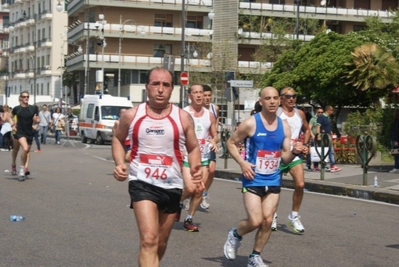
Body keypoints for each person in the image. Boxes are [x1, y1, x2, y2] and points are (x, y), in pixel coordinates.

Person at [112, 67, 202, 267]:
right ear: (147, 87)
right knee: (149, 239)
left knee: (160, 242)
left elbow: (193, 147)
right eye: (155, 84)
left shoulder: (182, 118)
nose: (160, 89)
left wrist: (196, 168)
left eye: (166, 85)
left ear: (172, 89)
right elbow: (118, 139)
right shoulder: (132, 115)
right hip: (141, 182)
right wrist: (120, 164)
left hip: (172, 184)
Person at [223, 86, 305, 266]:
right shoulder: (251, 123)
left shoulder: (283, 126)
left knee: (267, 220)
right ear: (261, 102)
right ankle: (235, 234)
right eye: (268, 98)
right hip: (253, 177)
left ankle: (255, 256)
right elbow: (230, 143)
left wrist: (295, 152)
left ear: (280, 101)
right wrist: (242, 163)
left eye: (275, 98)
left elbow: (284, 158)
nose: (272, 101)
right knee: (255, 220)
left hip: (273, 178)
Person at [179, 84, 218, 232]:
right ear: (189, 96)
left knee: (199, 189)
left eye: (201, 92)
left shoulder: (209, 115)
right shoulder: (183, 113)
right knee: (190, 188)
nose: (199, 95)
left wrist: (214, 141)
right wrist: (179, 149)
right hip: (187, 157)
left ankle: (189, 219)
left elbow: (215, 134)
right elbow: (177, 134)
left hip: (204, 157)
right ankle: (177, 203)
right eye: (195, 93)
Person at [274, 87, 310, 234]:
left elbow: (307, 129)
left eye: (294, 96)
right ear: (281, 98)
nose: (291, 99)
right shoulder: (275, 113)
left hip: (294, 155)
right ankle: (272, 215)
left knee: (300, 184)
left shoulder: (299, 113)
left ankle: (293, 216)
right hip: (278, 155)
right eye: (288, 96)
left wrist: (305, 145)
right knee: (275, 189)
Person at [9, 91, 40, 181]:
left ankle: (23, 167)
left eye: (27, 97)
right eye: (24, 96)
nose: (26, 98)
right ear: (21, 98)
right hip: (20, 132)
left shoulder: (33, 108)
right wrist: (12, 125)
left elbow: (38, 120)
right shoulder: (17, 109)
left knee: (26, 152)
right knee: (25, 148)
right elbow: (9, 116)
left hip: (29, 132)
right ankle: (21, 170)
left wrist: (36, 122)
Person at [201, 84, 220, 209]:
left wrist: (214, 140)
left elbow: (216, 128)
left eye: (209, 95)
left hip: (210, 144)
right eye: (205, 96)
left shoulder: (215, 108)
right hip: (197, 144)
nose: (207, 98)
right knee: (197, 172)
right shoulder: (194, 109)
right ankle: (192, 193)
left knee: (211, 170)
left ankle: (203, 194)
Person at [316, 105, 342, 172]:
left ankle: (333, 165)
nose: (332, 111)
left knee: (331, 151)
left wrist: (331, 132)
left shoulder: (328, 118)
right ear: (328, 110)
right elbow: (318, 126)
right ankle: (324, 166)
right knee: (324, 152)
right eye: (332, 110)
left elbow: (328, 126)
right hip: (323, 137)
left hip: (328, 137)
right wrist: (318, 135)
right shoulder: (321, 117)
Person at [308, 107, 324, 171]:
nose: (320, 113)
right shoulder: (313, 119)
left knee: (320, 152)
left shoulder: (323, 119)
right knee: (314, 152)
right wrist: (313, 136)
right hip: (314, 138)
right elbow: (309, 128)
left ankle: (319, 166)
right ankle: (311, 164)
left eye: (321, 112)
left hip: (321, 138)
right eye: (319, 112)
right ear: (316, 112)